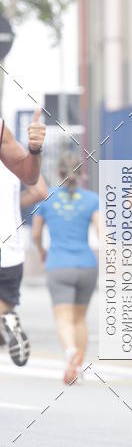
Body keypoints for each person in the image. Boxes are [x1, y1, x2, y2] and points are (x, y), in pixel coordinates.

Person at [32, 152, 99, 384]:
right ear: (81, 174)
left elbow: (36, 233)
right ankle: (78, 369)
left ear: (58, 173)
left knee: (63, 318)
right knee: (80, 319)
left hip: (59, 265)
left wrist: (41, 251)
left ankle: (70, 352)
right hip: (87, 265)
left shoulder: (46, 198)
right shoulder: (92, 199)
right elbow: (102, 231)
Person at [0, 154, 47, 365]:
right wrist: (10, 204)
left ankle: (7, 323)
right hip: (11, 249)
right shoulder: (13, 154)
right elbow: (40, 191)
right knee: (5, 304)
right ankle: (8, 321)